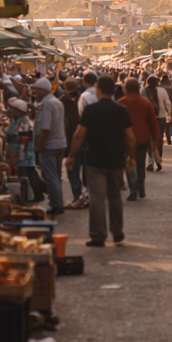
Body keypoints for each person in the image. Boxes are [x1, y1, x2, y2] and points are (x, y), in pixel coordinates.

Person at [65, 75, 135, 247]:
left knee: (97, 198)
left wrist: (72, 155)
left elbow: (80, 135)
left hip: (95, 160)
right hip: (116, 160)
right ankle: (117, 232)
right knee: (115, 196)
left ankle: (98, 236)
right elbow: (130, 137)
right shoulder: (121, 110)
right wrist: (132, 157)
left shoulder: (91, 110)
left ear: (98, 89)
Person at [117, 78, 159, 200]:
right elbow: (152, 122)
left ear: (126, 88)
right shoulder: (145, 102)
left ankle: (133, 189)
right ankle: (140, 185)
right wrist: (155, 137)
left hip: (125, 140)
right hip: (142, 139)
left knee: (129, 164)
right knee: (140, 164)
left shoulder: (121, 102)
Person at [32, 77, 66, 215]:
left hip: (50, 145)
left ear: (43, 90)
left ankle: (57, 205)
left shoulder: (47, 105)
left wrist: (40, 145)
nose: (35, 93)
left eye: (36, 90)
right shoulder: (56, 102)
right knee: (56, 176)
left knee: (50, 176)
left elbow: (45, 128)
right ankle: (58, 202)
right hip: (60, 143)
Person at [4, 98, 45, 202]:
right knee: (27, 173)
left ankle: (37, 194)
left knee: (30, 174)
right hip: (21, 153)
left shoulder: (25, 121)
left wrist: (10, 139)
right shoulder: (17, 120)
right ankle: (28, 194)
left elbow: (22, 137)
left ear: (18, 111)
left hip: (25, 153)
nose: (11, 112)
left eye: (12, 110)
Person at [143, 74, 172, 170]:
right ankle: (158, 159)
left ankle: (151, 161)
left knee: (149, 140)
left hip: (148, 119)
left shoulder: (144, 91)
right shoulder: (162, 90)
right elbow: (168, 104)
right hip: (161, 118)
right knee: (158, 139)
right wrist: (169, 115)